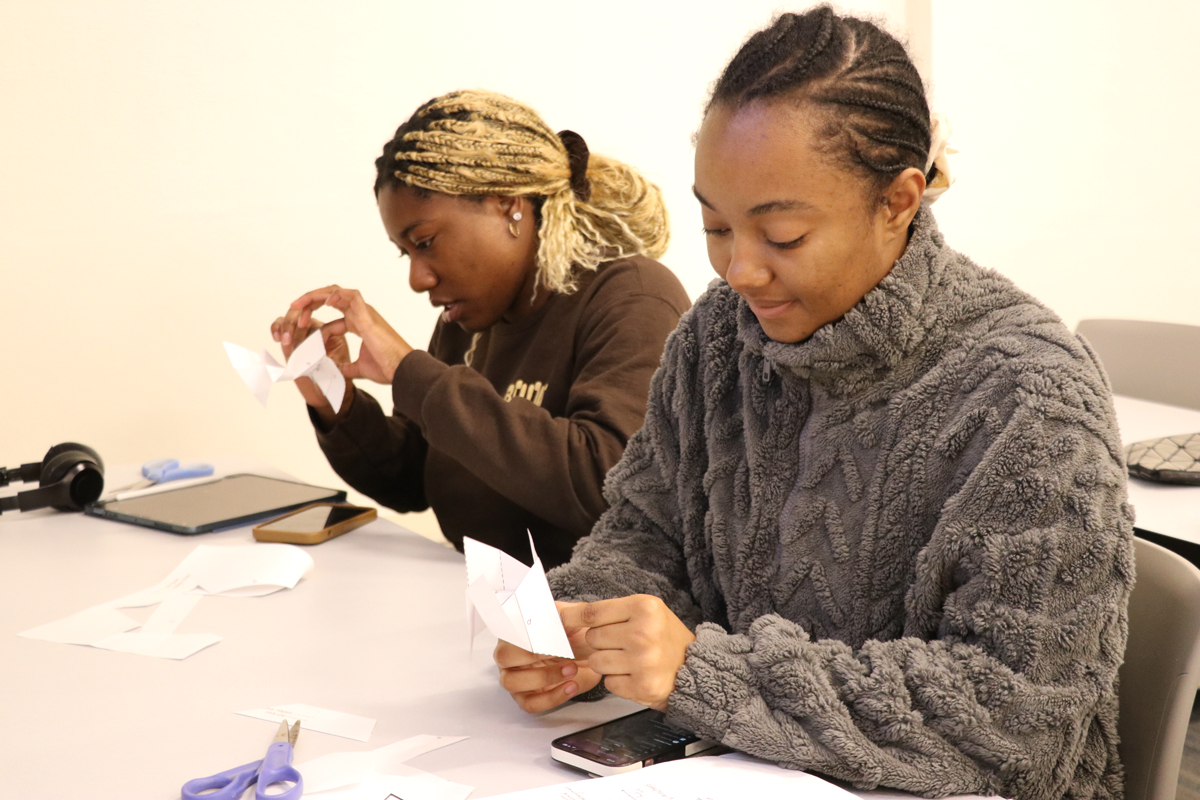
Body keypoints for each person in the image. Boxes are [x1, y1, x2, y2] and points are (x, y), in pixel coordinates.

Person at [494, 8, 1133, 800]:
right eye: (715, 225)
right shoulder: (717, 339)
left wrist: (706, 672)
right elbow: (643, 532)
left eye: (784, 236)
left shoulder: (1030, 396)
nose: (740, 270)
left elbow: (1014, 721)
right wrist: (582, 626)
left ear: (899, 200)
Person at [271, 90, 690, 568]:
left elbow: (609, 484)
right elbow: (414, 478)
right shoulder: (465, 324)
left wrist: (414, 373)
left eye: (426, 242)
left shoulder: (631, 296)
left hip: (591, 624)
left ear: (509, 205)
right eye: (406, 253)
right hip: (480, 611)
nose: (418, 278)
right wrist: (332, 396)